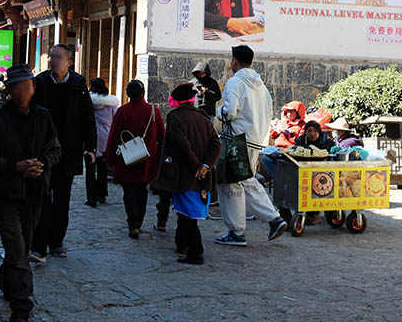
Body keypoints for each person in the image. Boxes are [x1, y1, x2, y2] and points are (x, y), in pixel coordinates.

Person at [0, 65, 62, 322]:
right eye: (18, 86)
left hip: (36, 192)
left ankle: (7, 282)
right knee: (16, 249)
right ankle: (22, 306)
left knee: (22, 247)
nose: (24, 91)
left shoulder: (43, 117)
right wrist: (15, 166)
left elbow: (56, 149)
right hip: (8, 194)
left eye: (28, 86)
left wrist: (42, 164)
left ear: (34, 89)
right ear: (10, 90)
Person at [214, 45, 288, 247]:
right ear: (252, 62)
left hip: (236, 140)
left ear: (235, 61)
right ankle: (244, 228)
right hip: (255, 140)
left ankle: (249, 227)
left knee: (232, 183)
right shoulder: (262, 87)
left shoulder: (235, 82)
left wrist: (218, 112)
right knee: (242, 182)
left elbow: (230, 112)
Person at [30, 44, 97, 262]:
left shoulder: (78, 85)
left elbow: (88, 116)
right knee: (42, 197)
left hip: (69, 150)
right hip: (44, 149)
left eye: (58, 57)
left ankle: (56, 242)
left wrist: (91, 146)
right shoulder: (39, 83)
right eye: (52, 56)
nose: (53, 60)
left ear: (69, 62)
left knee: (62, 199)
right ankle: (38, 246)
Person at [152, 83, 221, 264]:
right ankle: (182, 244)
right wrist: (206, 165)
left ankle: (195, 252)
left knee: (189, 215)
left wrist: (198, 166)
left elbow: (182, 146)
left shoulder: (176, 118)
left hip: (184, 174)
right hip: (201, 174)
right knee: (184, 212)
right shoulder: (204, 118)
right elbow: (216, 144)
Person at [104, 79, 163, 239]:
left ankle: (133, 224)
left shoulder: (123, 111)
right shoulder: (153, 111)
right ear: (143, 93)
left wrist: (109, 158)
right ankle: (138, 221)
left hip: (127, 157)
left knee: (129, 192)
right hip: (147, 158)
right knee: (142, 190)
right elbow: (161, 136)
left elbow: (114, 135)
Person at [86, 77, 119, 207]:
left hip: (91, 137)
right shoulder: (112, 104)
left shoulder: (89, 102)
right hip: (106, 137)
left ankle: (91, 197)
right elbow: (115, 120)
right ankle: (102, 194)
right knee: (102, 168)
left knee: (90, 169)